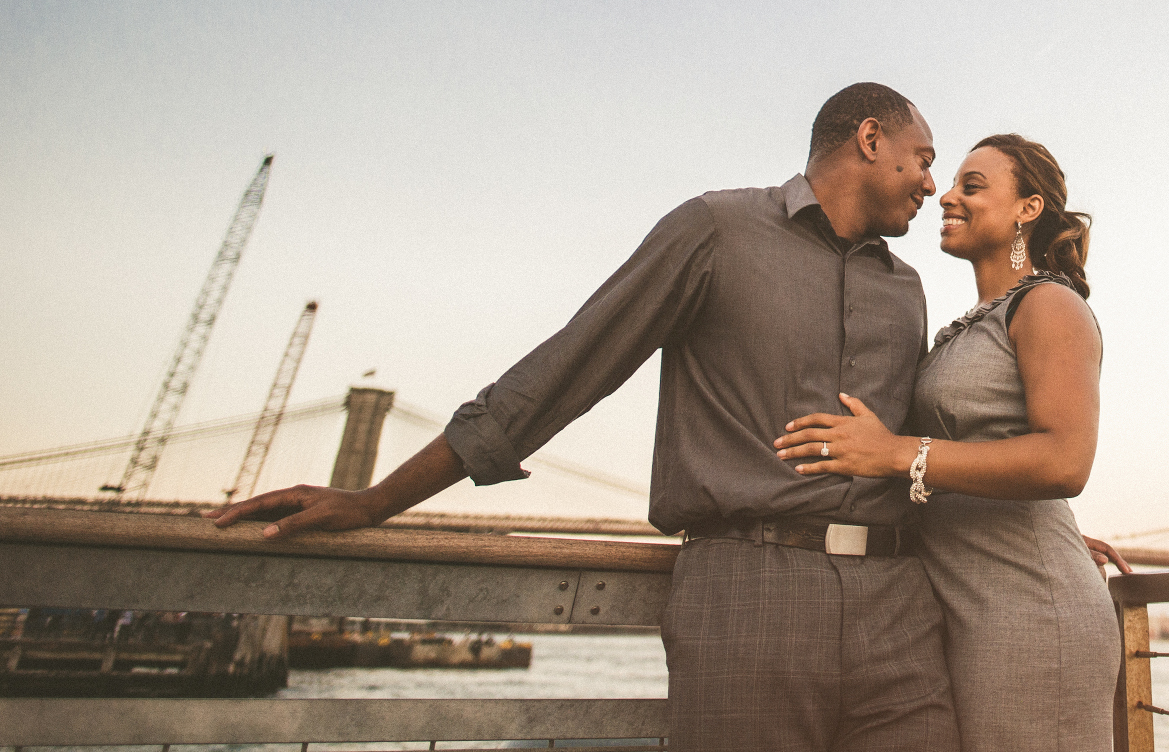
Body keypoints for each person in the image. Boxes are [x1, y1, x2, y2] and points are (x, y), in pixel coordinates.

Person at [209, 83, 960, 752]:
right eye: (922, 158)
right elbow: (567, 369)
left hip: (900, 609)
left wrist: (1025, 526)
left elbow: (917, 450)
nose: (933, 183)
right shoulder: (715, 230)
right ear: (869, 139)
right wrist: (376, 500)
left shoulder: (909, 290)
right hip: (748, 595)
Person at [776, 134, 1125, 752]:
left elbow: (1066, 460)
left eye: (973, 185)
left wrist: (895, 451)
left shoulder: (1049, 306)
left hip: (1029, 616)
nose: (946, 197)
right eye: (952, 183)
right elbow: (995, 449)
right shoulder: (968, 325)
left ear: (1028, 209)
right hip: (965, 612)